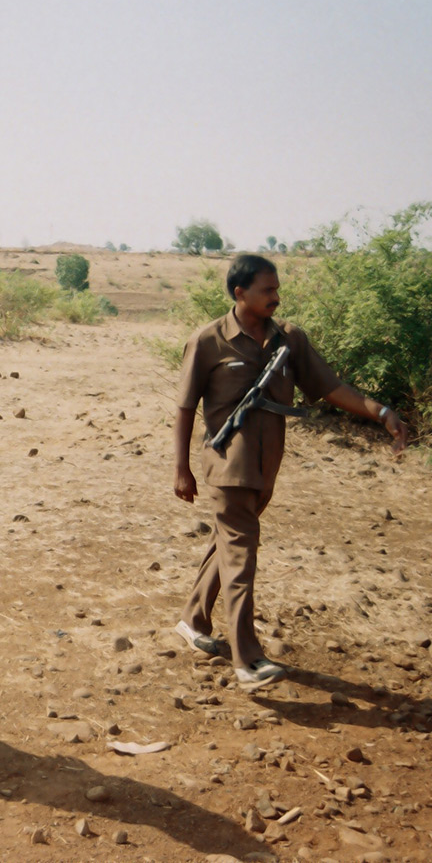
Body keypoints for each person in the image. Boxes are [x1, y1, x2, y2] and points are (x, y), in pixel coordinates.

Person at [173, 254, 408, 688]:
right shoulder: (208, 340)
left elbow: (331, 388)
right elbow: (186, 406)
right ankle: (248, 660)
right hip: (227, 465)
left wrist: (383, 412)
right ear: (240, 292)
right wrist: (181, 469)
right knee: (242, 555)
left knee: (227, 544)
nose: (276, 298)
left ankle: (192, 620)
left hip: (266, 466)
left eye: (277, 289)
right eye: (268, 290)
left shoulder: (289, 340)